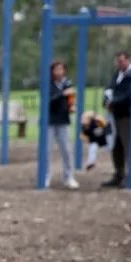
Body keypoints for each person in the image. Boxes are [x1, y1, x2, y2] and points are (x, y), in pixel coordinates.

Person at [101, 51, 131, 188]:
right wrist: (106, 100)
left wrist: (114, 102)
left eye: (121, 61)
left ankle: (130, 176)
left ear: (128, 60)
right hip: (115, 115)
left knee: (128, 146)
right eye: (117, 61)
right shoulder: (118, 74)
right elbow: (110, 88)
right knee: (115, 146)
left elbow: (130, 94)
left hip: (127, 116)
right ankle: (119, 174)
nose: (119, 64)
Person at [46, 60, 78, 189]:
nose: (59, 72)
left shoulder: (67, 83)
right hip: (49, 121)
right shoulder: (47, 84)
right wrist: (62, 94)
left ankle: (68, 176)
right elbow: (49, 100)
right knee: (46, 151)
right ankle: (46, 176)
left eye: (61, 69)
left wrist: (71, 106)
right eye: (56, 69)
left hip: (63, 120)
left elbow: (70, 100)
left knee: (66, 150)